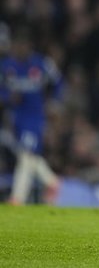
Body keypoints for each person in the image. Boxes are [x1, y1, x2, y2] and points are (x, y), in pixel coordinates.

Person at [0, 28, 62, 205]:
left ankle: (17, 198)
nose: (21, 49)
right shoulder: (6, 66)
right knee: (27, 156)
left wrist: (54, 103)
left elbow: (58, 82)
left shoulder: (42, 64)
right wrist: (7, 98)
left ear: (29, 47)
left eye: (24, 46)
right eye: (17, 46)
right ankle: (52, 182)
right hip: (15, 119)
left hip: (35, 117)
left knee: (26, 155)